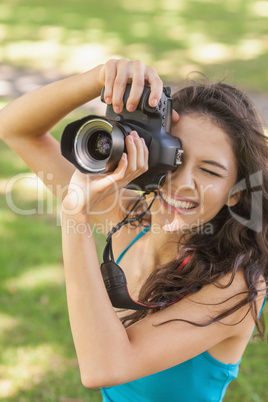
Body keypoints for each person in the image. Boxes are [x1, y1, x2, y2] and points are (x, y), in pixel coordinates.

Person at [0, 58, 267, 402]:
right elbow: (14, 128)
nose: (183, 184)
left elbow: (103, 367)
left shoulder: (236, 284)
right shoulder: (133, 218)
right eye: (177, 156)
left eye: (210, 172)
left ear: (237, 191)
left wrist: (75, 216)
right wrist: (97, 79)